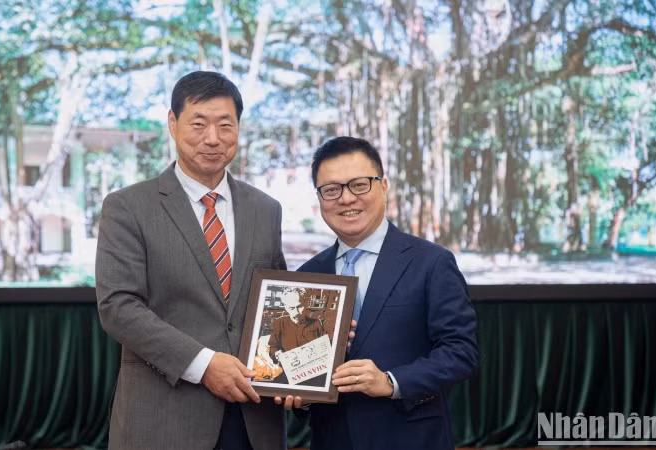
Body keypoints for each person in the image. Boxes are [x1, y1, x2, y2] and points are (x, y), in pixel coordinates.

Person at [96, 71, 287, 450]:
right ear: (172, 123)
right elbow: (118, 306)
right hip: (166, 418)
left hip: (252, 418)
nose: (212, 138)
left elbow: (275, 305)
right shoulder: (127, 207)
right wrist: (204, 364)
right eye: (198, 124)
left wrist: (310, 342)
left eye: (225, 125)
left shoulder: (266, 209)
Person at [277, 136, 478, 449]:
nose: (345, 199)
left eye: (359, 184)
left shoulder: (431, 262)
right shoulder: (307, 276)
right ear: (320, 198)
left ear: (383, 187)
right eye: (331, 189)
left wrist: (390, 382)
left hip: (411, 438)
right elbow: (301, 371)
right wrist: (301, 396)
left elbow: (461, 352)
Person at [267, 288, 332, 386]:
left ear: (305, 304)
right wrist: (277, 354)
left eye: (299, 306)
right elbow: (273, 347)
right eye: (291, 308)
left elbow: (325, 346)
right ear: (286, 308)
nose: (296, 312)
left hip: (315, 372)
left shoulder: (316, 323)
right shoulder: (279, 323)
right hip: (290, 372)